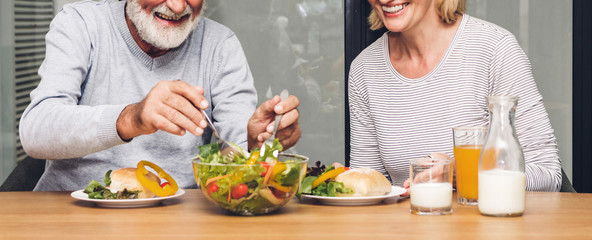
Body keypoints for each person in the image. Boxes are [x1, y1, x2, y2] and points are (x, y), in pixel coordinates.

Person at [18, 0, 301, 191]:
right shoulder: (80, 23)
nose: (178, 7)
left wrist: (255, 144)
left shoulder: (220, 45)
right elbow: (35, 131)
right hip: (70, 214)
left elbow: (235, 155)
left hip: (180, 219)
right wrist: (131, 118)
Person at [348, 0, 561, 191]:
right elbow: (368, 185)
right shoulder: (364, 69)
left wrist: (463, 173)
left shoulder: (495, 49)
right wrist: (343, 182)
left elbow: (547, 174)